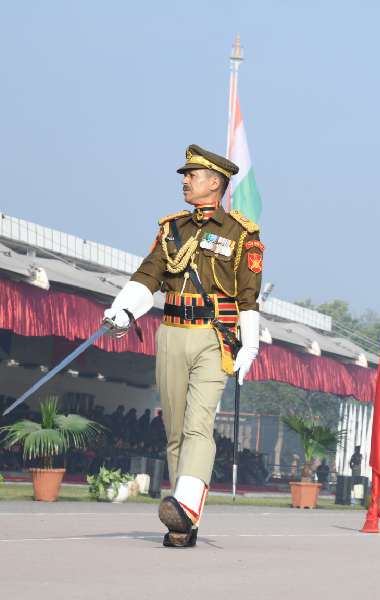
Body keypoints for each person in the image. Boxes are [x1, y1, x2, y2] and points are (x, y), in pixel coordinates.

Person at [102, 144, 262, 548]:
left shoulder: (241, 235)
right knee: (174, 430)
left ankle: (187, 503)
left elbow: (247, 297)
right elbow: (149, 274)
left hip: (214, 337)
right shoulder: (172, 228)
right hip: (171, 331)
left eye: (192, 175)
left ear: (216, 183)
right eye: (186, 175)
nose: (185, 180)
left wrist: (250, 346)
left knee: (197, 425)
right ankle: (182, 522)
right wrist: (123, 310)